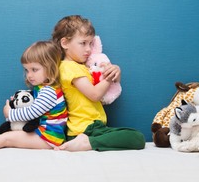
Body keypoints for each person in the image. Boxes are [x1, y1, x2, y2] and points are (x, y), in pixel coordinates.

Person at [51, 15, 145, 151]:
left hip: (94, 127)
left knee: (135, 137)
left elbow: (109, 83)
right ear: (65, 43)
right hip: (83, 128)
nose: (88, 49)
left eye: (90, 43)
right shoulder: (68, 67)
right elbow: (94, 94)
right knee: (137, 138)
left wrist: (115, 71)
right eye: (83, 43)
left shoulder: (85, 66)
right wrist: (108, 77)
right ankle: (85, 143)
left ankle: (89, 141)